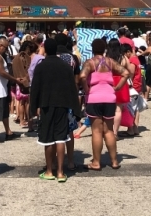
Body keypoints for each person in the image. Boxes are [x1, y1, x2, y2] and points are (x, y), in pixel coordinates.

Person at [29, 38, 82, 183]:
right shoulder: (65, 66)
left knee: (48, 139)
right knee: (61, 138)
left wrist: (33, 108)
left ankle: (49, 171)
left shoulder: (41, 66)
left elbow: (35, 89)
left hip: (46, 105)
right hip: (62, 105)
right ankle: (60, 172)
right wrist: (76, 109)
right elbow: (72, 88)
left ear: (45, 49)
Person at [79, 38, 130, 171]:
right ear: (105, 49)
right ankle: (114, 161)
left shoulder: (90, 63)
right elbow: (125, 72)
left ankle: (96, 162)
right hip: (109, 98)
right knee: (109, 131)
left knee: (96, 131)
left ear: (92, 49)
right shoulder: (110, 62)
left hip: (94, 98)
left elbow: (82, 76)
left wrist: (86, 88)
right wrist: (118, 87)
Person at [0, 36, 26, 141]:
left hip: (3, 88)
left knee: (4, 112)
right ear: (0, 46)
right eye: (5, 48)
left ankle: (8, 131)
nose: (6, 50)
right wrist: (15, 80)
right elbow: (2, 73)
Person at [55, 33, 81, 171]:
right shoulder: (73, 58)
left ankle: (53, 161)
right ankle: (70, 160)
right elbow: (77, 80)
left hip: (53, 96)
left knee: (54, 129)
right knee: (69, 129)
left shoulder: (50, 57)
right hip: (69, 96)